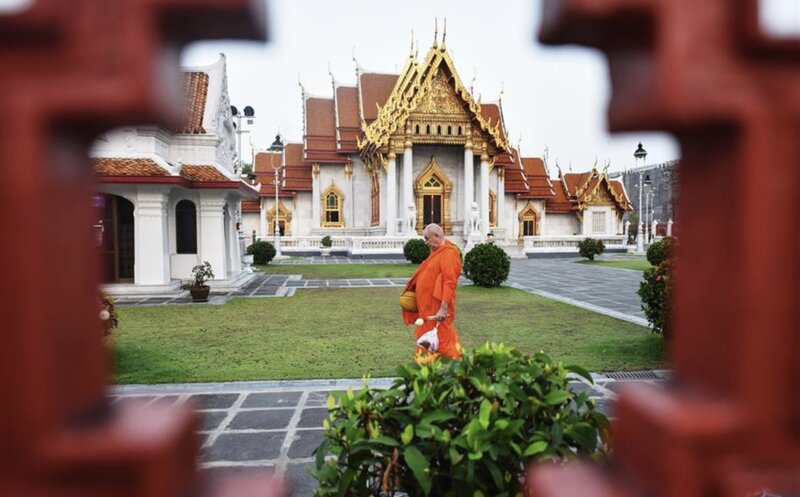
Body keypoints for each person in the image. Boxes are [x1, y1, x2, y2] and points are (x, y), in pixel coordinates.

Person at [401, 223, 463, 360]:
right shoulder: (436, 254)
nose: (426, 243)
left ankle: (457, 369)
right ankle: (428, 368)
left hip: (437, 311)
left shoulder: (449, 253)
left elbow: (449, 281)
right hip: (427, 310)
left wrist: (443, 307)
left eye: (427, 238)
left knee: (443, 343)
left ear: (436, 236)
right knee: (429, 341)